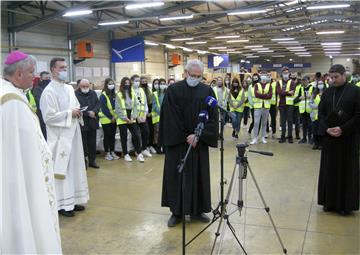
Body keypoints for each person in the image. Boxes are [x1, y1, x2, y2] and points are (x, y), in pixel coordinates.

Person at [1, 51, 62, 254]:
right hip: (20, 178)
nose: (34, 76)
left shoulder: (8, 92)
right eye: (31, 72)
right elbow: (22, 151)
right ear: (18, 74)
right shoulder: (12, 102)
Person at [160, 59, 218, 227]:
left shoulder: (207, 91)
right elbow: (170, 117)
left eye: (199, 76)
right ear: (185, 73)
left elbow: (213, 117)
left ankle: (197, 210)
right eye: (192, 75)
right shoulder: (174, 90)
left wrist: (199, 135)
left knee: (199, 176)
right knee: (176, 177)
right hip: (178, 144)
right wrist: (186, 136)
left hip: (198, 144)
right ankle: (176, 212)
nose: (195, 79)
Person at [40, 57, 89, 217]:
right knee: (62, 171)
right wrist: (70, 113)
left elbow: (74, 107)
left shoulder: (68, 89)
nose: (64, 70)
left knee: (75, 168)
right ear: (53, 69)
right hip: (59, 139)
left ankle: (73, 201)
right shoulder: (48, 91)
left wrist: (78, 111)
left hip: (73, 136)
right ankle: (62, 204)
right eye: (61, 68)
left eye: (65, 67)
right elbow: (48, 117)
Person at [317, 64, 360, 215]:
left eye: (336, 77)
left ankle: (344, 205)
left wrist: (343, 129)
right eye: (331, 77)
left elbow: (358, 115)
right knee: (329, 170)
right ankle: (329, 203)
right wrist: (326, 128)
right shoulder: (327, 92)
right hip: (330, 138)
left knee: (346, 171)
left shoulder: (355, 91)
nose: (333, 80)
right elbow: (320, 114)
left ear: (344, 75)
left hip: (347, 138)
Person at [114, 77, 144, 162]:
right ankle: (126, 154)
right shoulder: (119, 94)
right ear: (122, 84)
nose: (127, 84)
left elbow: (135, 106)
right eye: (125, 83)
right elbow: (117, 108)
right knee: (123, 137)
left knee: (136, 135)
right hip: (122, 118)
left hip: (131, 116)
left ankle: (139, 153)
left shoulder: (132, 93)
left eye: (128, 83)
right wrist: (125, 118)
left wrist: (134, 116)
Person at [75, 78, 101, 168]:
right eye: (83, 86)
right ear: (79, 86)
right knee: (83, 144)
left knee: (92, 143)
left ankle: (92, 161)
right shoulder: (75, 94)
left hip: (92, 121)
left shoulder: (93, 93)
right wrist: (87, 113)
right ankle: (83, 161)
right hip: (82, 122)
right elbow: (76, 107)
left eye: (87, 86)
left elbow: (98, 104)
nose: (85, 88)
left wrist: (94, 111)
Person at [98, 78, 120, 161]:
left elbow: (117, 106)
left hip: (114, 119)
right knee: (107, 136)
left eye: (112, 84)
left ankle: (112, 151)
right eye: (109, 84)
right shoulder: (103, 95)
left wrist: (115, 117)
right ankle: (107, 153)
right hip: (106, 120)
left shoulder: (115, 94)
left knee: (112, 136)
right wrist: (111, 117)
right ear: (106, 85)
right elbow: (104, 108)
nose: (111, 85)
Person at [132, 74, 152, 157]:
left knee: (146, 132)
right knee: (136, 134)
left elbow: (145, 103)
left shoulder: (141, 90)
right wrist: (136, 116)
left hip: (143, 116)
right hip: (134, 116)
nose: (137, 82)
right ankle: (137, 150)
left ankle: (144, 148)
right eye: (135, 81)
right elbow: (130, 105)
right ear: (132, 82)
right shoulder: (130, 90)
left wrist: (145, 114)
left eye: (138, 81)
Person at [250, 71, 272, 144]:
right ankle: (255, 138)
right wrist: (265, 95)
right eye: (262, 75)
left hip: (266, 107)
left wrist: (261, 94)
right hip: (257, 107)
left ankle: (263, 137)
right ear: (260, 77)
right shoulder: (257, 85)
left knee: (264, 123)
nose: (263, 77)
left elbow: (270, 96)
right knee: (256, 122)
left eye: (265, 75)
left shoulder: (269, 85)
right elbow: (256, 94)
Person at [277, 67, 296, 143]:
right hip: (281, 104)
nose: (285, 74)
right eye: (284, 73)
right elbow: (279, 92)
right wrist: (288, 92)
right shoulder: (279, 82)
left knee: (290, 121)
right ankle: (283, 136)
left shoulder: (292, 82)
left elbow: (292, 92)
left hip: (289, 104)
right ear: (282, 74)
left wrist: (284, 92)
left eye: (287, 73)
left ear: (289, 74)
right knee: (283, 121)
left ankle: (290, 136)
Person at [32, 71, 51, 139]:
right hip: (42, 119)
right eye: (46, 78)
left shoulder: (50, 89)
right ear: (41, 79)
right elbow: (40, 103)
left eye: (49, 78)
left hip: (50, 118)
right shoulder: (37, 89)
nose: (48, 80)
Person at [141, 76, 157, 154]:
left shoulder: (149, 90)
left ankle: (150, 145)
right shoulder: (140, 90)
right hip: (143, 113)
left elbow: (152, 102)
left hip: (150, 112)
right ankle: (145, 146)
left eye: (145, 81)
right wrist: (145, 113)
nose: (144, 83)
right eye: (142, 81)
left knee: (151, 130)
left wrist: (150, 112)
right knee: (145, 131)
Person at [296, 76, 313, 144]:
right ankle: (304, 138)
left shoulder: (312, 87)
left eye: (305, 80)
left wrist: (310, 96)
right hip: (303, 110)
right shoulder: (301, 88)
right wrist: (299, 98)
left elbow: (316, 97)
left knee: (310, 125)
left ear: (308, 81)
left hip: (310, 110)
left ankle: (310, 138)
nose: (303, 82)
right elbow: (297, 98)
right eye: (302, 81)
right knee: (304, 125)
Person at [152, 78, 167, 153]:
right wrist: (161, 113)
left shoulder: (167, 93)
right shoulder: (155, 94)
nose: (162, 85)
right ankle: (158, 148)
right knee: (157, 133)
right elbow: (154, 106)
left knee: (165, 132)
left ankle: (164, 147)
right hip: (157, 116)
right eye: (161, 84)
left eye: (164, 84)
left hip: (166, 117)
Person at [310, 81, 326, 150]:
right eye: (319, 84)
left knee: (321, 130)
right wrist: (318, 106)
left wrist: (319, 107)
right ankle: (316, 144)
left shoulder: (326, 93)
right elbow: (310, 103)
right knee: (314, 130)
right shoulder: (314, 94)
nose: (320, 85)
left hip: (322, 115)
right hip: (314, 115)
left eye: (321, 84)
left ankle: (321, 144)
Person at [291, 72, 301, 140]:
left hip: (297, 105)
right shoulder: (289, 84)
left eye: (295, 75)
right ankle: (289, 135)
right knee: (289, 121)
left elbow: (301, 95)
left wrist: (294, 101)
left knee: (297, 121)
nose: (293, 76)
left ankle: (297, 135)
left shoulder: (300, 85)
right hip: (290, 105)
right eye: (292, 75)